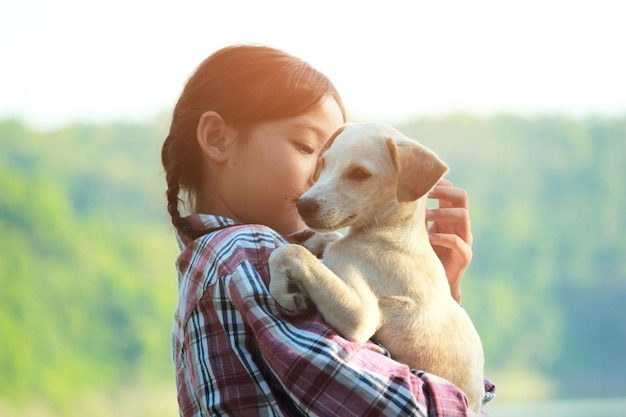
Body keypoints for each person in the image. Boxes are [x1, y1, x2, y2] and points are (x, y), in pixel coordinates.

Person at [161, 44, 494, 417]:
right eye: (309, 149)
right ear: (217, 137)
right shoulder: (246, 253)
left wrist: (429, 305)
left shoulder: (212, 263)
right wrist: (464, 400)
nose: (320, 181)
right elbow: (406, 409)